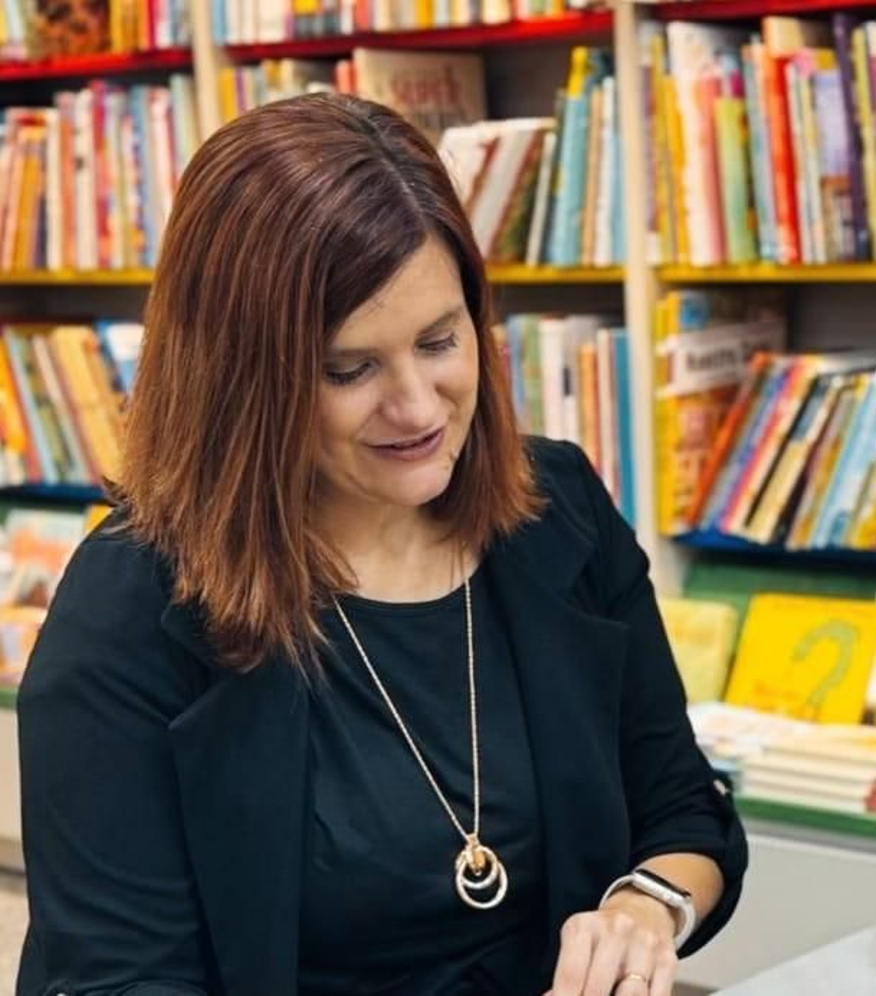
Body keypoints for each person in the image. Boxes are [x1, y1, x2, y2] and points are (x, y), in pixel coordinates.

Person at [17, 92, 747, 996]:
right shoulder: (133, 606)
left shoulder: (558, 510)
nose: (417, 407)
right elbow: (122, 980)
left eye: (440, 341)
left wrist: (645, 908)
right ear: (241, 380)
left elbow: (683, 812)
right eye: (349, 368)